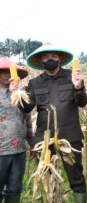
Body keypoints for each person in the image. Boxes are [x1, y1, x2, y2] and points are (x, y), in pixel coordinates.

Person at [18, 43, 87, 203]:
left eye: (54, 56)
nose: (50, 59)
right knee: (45, 178)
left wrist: (78, 88)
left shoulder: (72, 77)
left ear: (60, 59)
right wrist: (18, 93)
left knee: (76, 177)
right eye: (46, 56)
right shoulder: (35, 83)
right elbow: (27, 108)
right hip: (44, 139)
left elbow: (82, 103)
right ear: (41, 60)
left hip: (70, 138)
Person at [0, 58, 33, 203]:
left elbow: (28, 119)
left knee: (15, 188)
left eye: (10, 72)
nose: (8, 75)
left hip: (19, 149)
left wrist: (32, 142)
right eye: (3, 72)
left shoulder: (23, 93)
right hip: (1, 149)